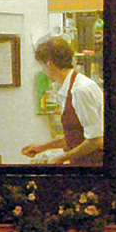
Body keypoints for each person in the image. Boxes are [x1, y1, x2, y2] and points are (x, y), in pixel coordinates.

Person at [22, 34, 103, 166]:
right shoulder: (69, 86)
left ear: (49, 63)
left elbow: (96, 140)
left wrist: (61, 158)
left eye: (42, 65)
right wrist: (43, 147)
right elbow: (76, 137)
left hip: (94, 166)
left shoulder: (80, 90)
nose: (43, 71)